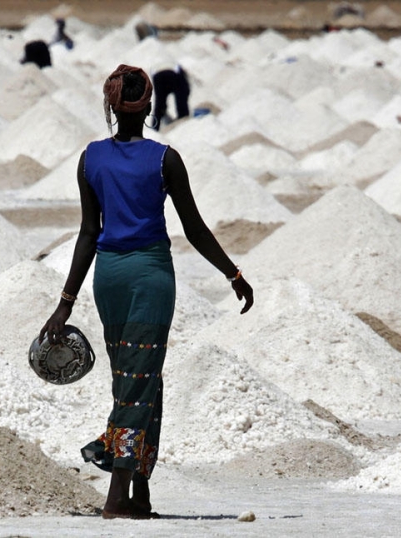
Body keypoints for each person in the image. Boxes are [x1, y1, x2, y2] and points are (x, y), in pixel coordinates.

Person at [38, 64, 253, 520]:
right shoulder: (165, 159)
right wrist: (232, 273)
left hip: (108, 279)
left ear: (110, 106)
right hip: (151, 278)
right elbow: (193, 228)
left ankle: (141, 496)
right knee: (136, 386)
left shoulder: (90, 158)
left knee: (139, 380)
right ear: (149, 106)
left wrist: (65, 303)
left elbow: (87, 234)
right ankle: (116, 496)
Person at [151, 64, 191, 130]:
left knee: (159, 105)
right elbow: (185, 92)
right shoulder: (182, 77)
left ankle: (154, 129)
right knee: (181, 103)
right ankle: (184, 123)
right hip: (174, 73)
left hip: (157, 73)